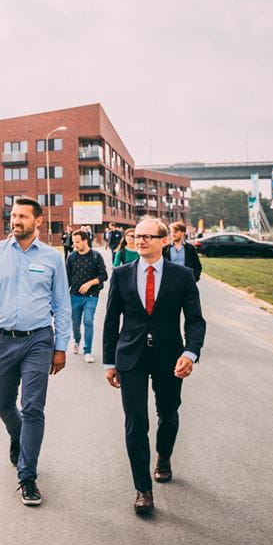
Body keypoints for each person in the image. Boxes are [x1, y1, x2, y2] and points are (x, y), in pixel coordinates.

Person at [0, 198, 72, 507]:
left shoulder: (52, 258)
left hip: (38, 340)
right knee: (2, 403)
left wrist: (61, 347)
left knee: (33, 408)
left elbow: (61, 306)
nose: (16, 221)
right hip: (3, 341)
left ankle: (27, 477)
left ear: (37, 221)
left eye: (23, 216)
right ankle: (17, 435)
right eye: (14, 215)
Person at [102, 217, 206, 515]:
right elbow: (111, 321)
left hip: (169, 356)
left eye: (149, 236)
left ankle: (163, 456)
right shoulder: (121, 274)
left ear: (163, 240)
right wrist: (109, 361)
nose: (141, 240)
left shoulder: (182, 276)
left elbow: (195, 320)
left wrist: (190, 352)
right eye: (138, 236)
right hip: (130, 356)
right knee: (135, 420)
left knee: (169, 413)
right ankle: (142, 489)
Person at [66, 230, 108, 363]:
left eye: (77, 242)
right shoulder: (71, 257)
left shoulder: (96, 256)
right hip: (74, 296)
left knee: (88, 322)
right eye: (73, 242)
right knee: (75, 323)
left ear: (85, 241)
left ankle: (88, 351)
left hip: (92, 296)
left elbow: (104, 275)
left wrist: (90, 283)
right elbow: (67, 278)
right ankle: (77, 340)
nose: (75, 245)